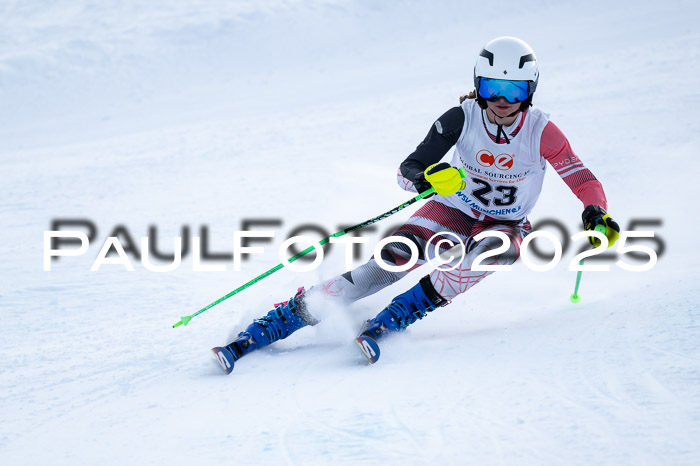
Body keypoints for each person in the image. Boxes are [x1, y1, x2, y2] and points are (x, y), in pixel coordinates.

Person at [212, 36, 620, 373]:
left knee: (489, 253)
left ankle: (393, 318)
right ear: (478, 85)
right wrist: (428, 177)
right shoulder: (460, 118)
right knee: (390, 261)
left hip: (505, 224)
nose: (501, 100)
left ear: (530, 91)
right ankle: (278, 322)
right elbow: (407, 171)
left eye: (513, 90)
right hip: (452, 209)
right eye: (491, 88)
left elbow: (580, 176)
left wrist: (595, 211)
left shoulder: (541, 131)